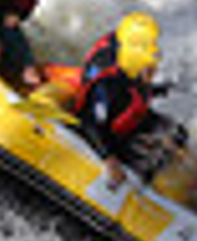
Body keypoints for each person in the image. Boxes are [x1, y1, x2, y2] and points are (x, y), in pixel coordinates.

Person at [74, 11, 185, 189]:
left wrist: (158, 89)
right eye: (149, 67)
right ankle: (141, 189)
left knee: (177, 132)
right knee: (151, 154)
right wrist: (109, 159)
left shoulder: (127, 64)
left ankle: (161, 178)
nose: (152, 69)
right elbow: (89, 122)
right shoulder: (107, 82)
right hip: (105, 133)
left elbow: (136, 91)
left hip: (123, 115)